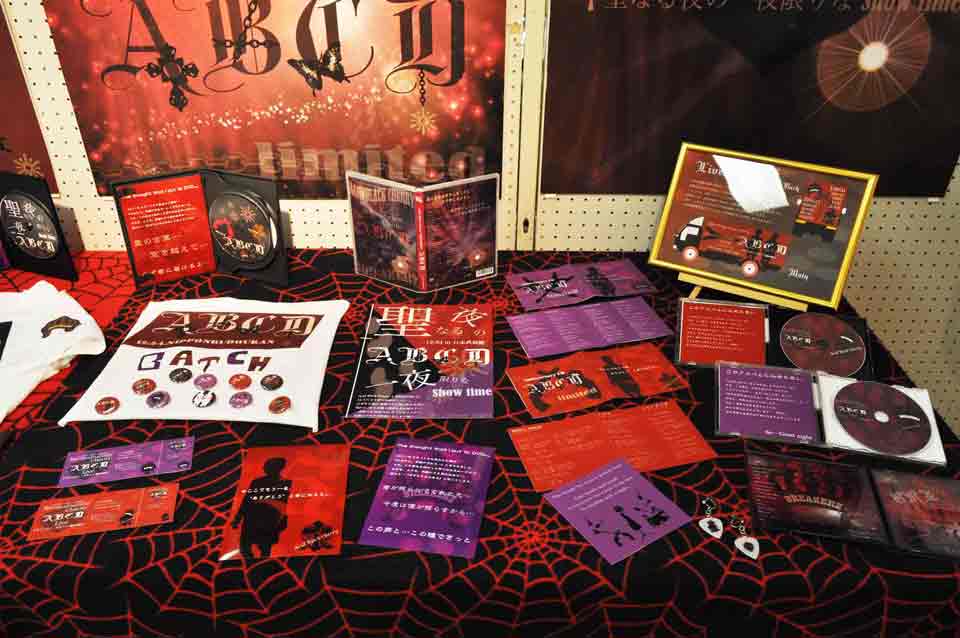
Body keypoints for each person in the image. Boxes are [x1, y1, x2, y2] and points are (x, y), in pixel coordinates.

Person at [232, 457, 292, 558]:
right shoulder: (257, 482)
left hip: (268, 520)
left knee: (264, 549)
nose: (264, 468)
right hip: (255, 519)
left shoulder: (286, 483)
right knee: (248, 548)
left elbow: (286, 504)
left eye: (267, 466)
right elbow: (247, 501)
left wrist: (283, 520)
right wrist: (238, 518)